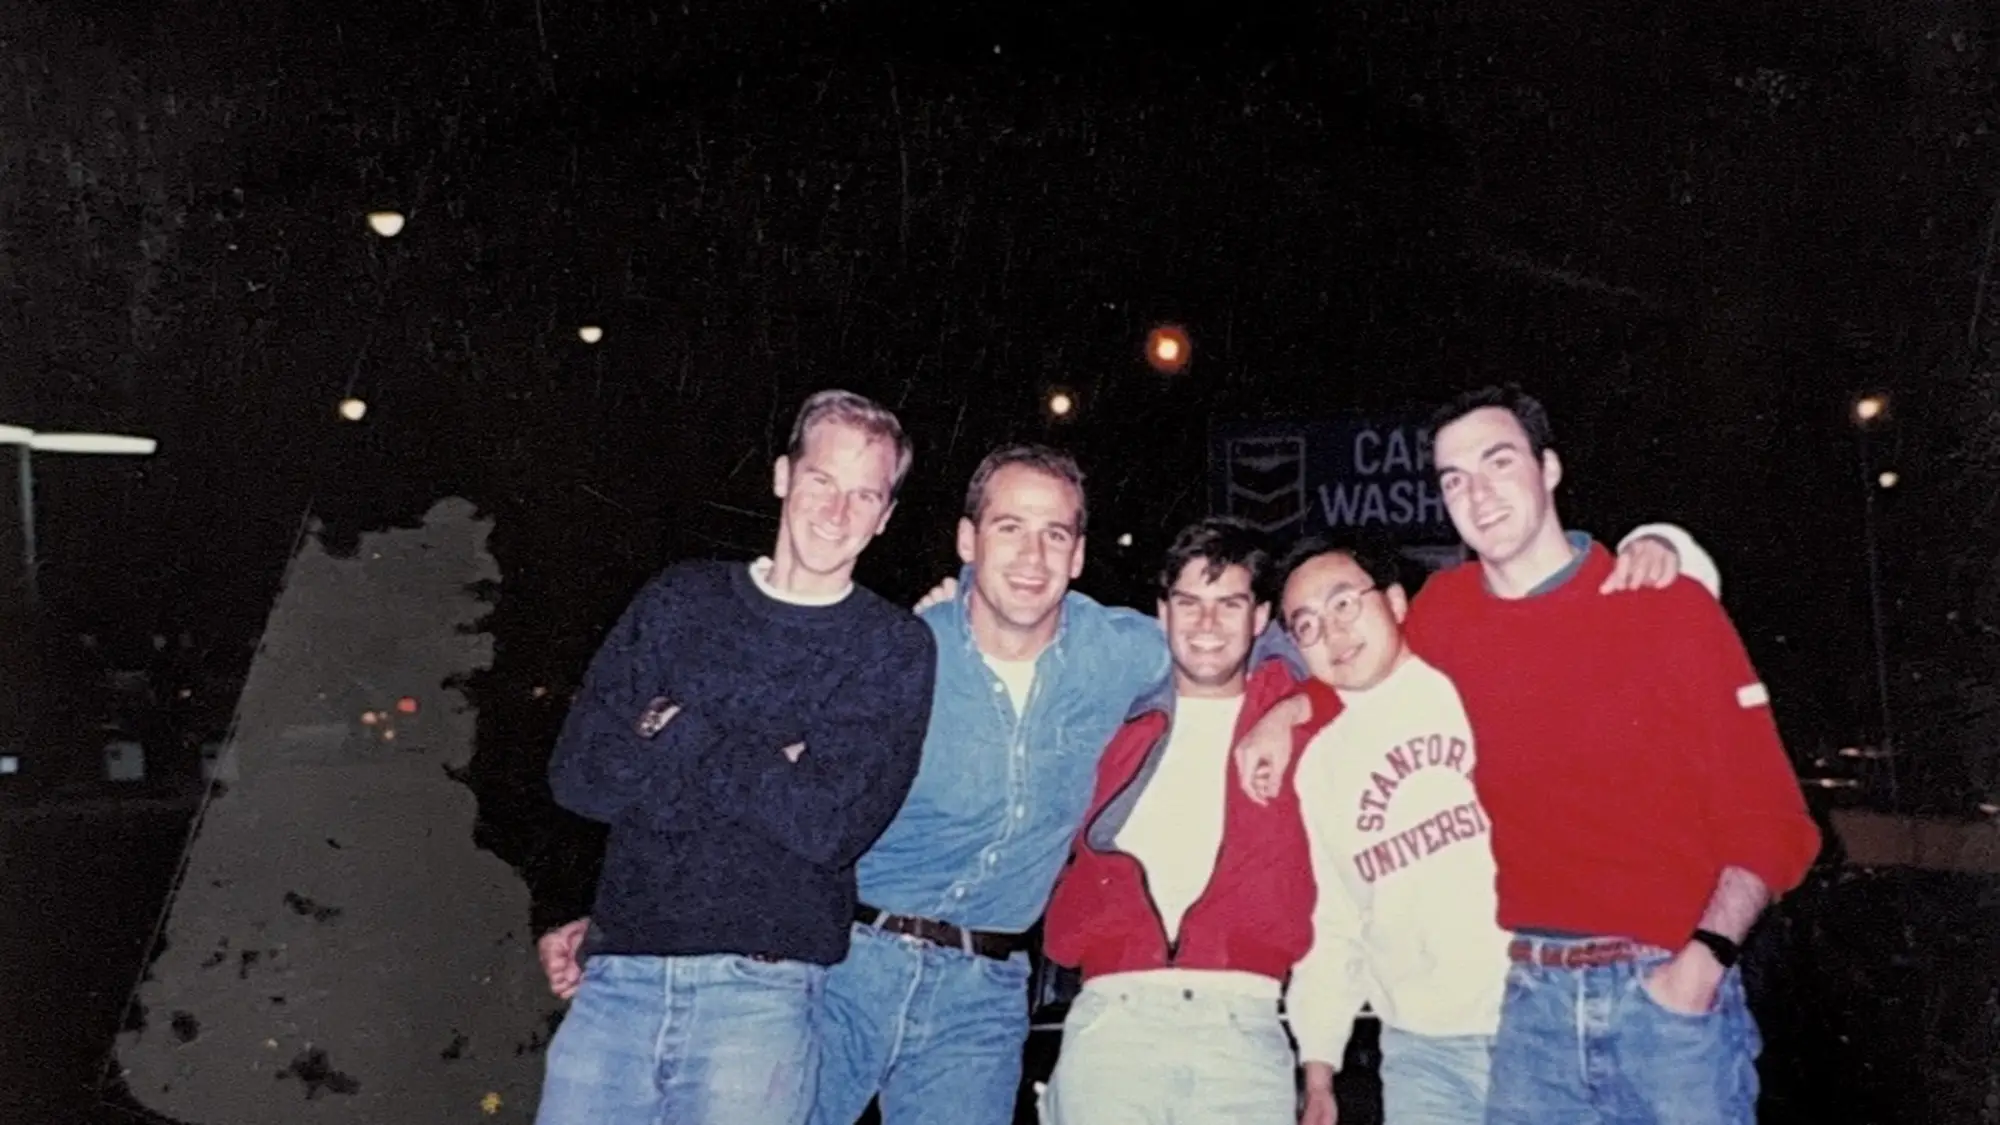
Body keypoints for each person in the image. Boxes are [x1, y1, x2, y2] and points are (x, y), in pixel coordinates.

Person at [542, 439, 1715, 1125]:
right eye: (1008, 528)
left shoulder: (1117, 646)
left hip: (983, 994)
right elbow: (745, 785)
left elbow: (1267, 636)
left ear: (1081, 550)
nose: (1032, 554)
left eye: (1057, 533)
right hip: (840, 963)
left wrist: (1292, 695)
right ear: (963, 540)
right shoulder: (902, 648)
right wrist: (627, 908)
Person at [1243, 385, 1819, 1125]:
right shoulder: (1449, 612)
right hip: (1532, 1008)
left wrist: (1699, 965)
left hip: (1667, 996)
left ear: (1548, 468)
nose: (1478, 495)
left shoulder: (1666, 605)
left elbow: (1771, 816)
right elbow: (1367, 668)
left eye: (1498, 462)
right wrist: (1290, 711)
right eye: (1454, 479)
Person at [531, 389, 938, 1125]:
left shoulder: (891, 647)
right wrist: (772, 763)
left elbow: (826, 828)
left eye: (864, 494)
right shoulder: (680, 599)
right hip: (616, 979)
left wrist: (675, 725)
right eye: (821, 480)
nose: (836, 511)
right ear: (783, 476)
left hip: (763, 998)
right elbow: (579, 773)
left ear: (885, 516)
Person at [1037, 517, 1320, 1125]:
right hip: (1112, 1018)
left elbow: (1388, 672)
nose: (1207, 625)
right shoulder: (1111, 717)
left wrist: (1299, 707)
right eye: (1188, 603)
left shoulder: (1300, 718)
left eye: (1229, 604)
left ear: (1261, 617)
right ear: (1161, 613)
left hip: (1245, 1022)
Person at [1277, 538, 1512, 1125]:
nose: (1331, 633)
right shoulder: (1315, 765)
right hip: (1420, 1051)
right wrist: (1318, 1070)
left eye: (1343, 605)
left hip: (1539, 1021)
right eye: (1306, 625)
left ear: (1397, 602)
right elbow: (1332, 923)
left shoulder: (1472, 681)